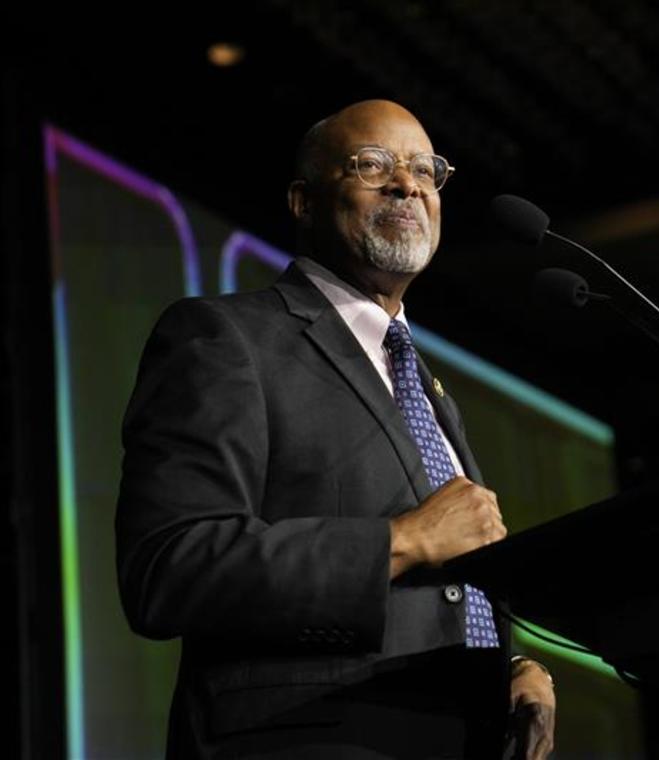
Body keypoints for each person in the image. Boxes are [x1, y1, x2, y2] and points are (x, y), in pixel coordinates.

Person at [116, 100, 556, 759]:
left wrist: (512, 669)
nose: (408, 184)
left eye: (426, 170)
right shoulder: (226, 337)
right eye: (372, 165)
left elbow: (444, 588)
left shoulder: (426, 384)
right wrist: (401, 541)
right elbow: (169, 569)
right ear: (304, 200)